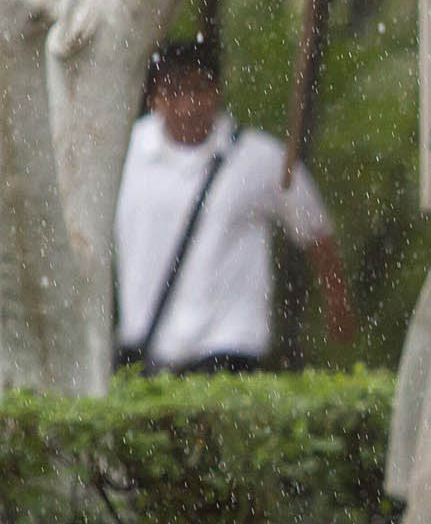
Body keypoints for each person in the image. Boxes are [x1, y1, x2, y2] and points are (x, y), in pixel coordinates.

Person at [114, 40, 354, 374]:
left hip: (230, 346)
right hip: (146, 346)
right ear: (154, 98)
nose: (188, 105)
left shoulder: (260, 160)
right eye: (173, 93)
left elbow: (315, 231)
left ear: (217, 92)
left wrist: (337, 308)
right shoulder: (121, 155)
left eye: (199, 90)